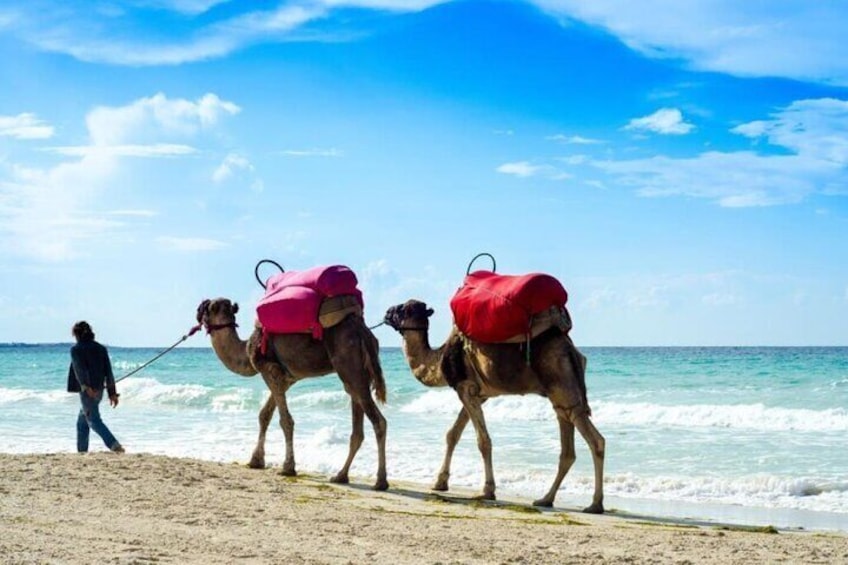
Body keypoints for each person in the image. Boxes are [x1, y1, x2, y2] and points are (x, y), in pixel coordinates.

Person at [67, 321, 124, 453]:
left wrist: (86, 387)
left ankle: (114, 445)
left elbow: (80, 369)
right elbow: (108, 372)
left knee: (93, 419)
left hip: (87, 391)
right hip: (99, 390)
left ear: (76, 334)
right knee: (82, 420)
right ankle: (81, 451)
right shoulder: (101, 348)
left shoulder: (76, 349)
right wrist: (112, 393)